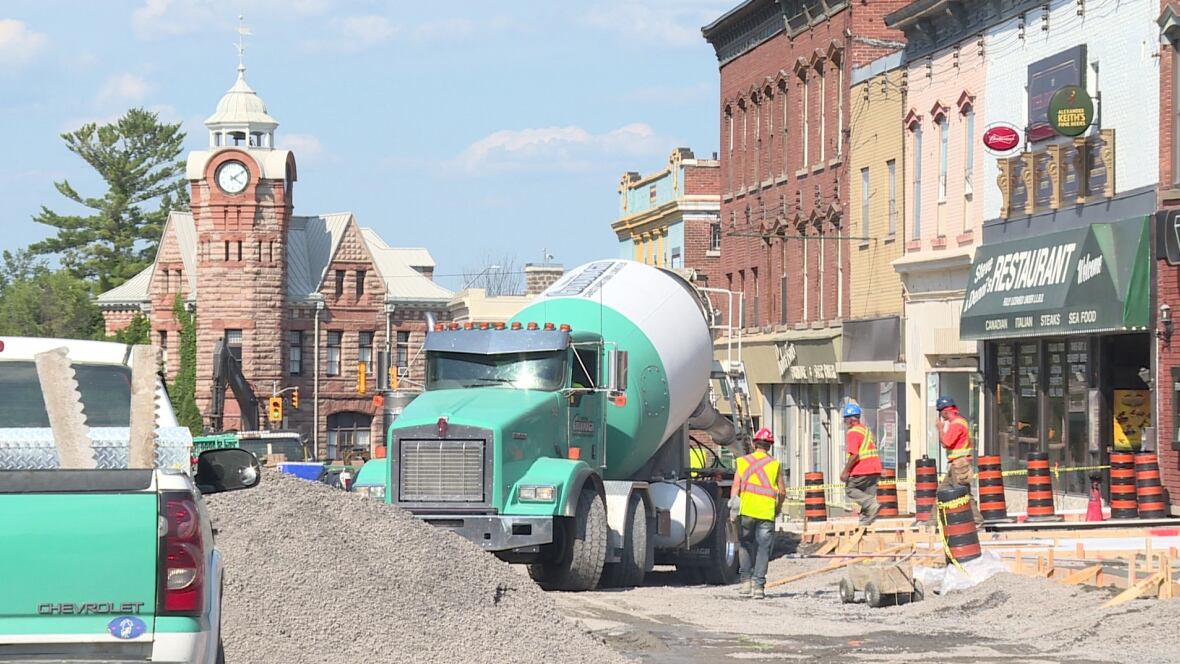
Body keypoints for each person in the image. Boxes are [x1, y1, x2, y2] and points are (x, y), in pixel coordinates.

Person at [731, 427, 785, 600]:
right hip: (766, 512)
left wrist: (733, 510)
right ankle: (759, 587)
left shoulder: (742, 462)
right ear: (770, 446)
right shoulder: (775, 465)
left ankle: (745, 582)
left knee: (745, 544)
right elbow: (782, 491)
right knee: (763, 549)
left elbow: (736, 487)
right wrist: (778, 508)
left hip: (746, 510)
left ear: (755, 444)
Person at [936, 396, 984, 526]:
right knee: (942, 491)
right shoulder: (960, 422)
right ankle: (933, 522)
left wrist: (940, 429)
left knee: (963, 494)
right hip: (957, 464)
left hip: (959, 464)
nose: (941, 416)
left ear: (945, 411)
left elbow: (946, 443)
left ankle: (977, 521)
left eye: (940, 412)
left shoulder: (956, 424)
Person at [838, 403, 882, 526]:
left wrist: (845, 471)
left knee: (850, 489)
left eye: (846, 419)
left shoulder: (853, 432)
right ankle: (864, 525)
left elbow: (855, 455)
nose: (845, 422)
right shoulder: (865, 430)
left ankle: (872, 505)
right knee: (867, 499)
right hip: (875, 470)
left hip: (862, 469)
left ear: (851, 419)